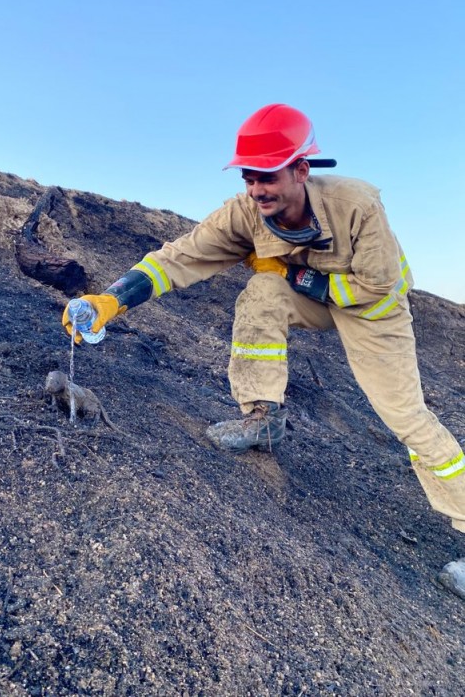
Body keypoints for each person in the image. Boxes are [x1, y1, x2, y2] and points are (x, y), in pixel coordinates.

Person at [62, 103, 465, 591]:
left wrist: (297, 274)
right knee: (262, 293)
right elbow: (177, 259)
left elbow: (377, 287)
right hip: (315, 297)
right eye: (249, 176)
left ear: (301, 169)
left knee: (407, 418)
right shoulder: (245, 214)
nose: (257, 189)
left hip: (374, 314)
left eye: (268, 176)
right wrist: (111, 301)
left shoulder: (357, 204)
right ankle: (263, 417)